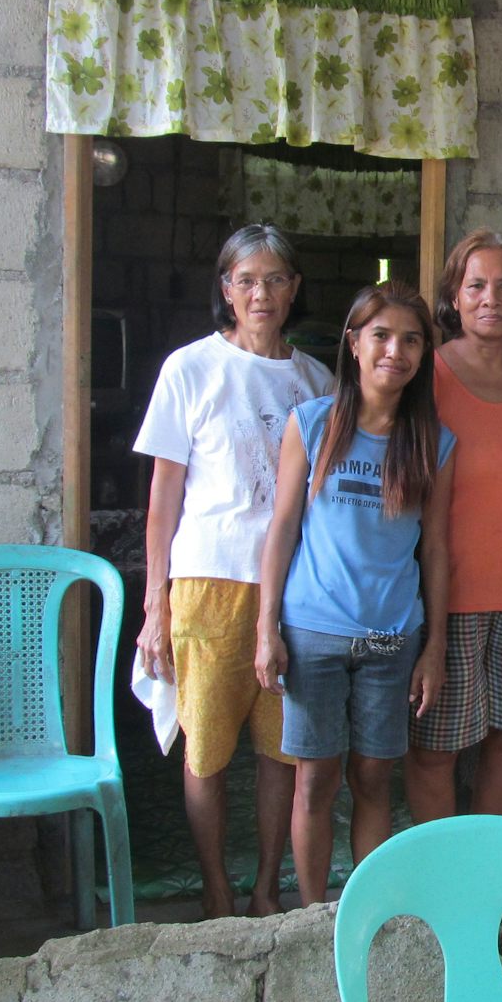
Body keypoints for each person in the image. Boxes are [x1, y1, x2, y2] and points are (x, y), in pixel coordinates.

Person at [133, 224, 334, 919]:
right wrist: (155, 604)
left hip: (294, 591)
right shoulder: (189, 369)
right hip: (207, 585)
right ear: (225, 289)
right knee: (206, 751)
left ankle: (265, 886)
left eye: (276, 279)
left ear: (294, 290)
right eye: (246, 280)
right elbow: (164, 496)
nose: (261, 293)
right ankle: (217, 886)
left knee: (283, 752)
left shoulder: (316, 381)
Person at [253, 281, 455, 902]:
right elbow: (282, 527)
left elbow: (437, 548)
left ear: (423, 354)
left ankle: (364, 909)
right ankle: (314, 914)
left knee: (373, 778)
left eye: (412, 340)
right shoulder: (312, 425)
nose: (396, 351)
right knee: (316, 780)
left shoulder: (433, 442)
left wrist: (434, 648)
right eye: (382, 336)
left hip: (390, 637)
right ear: (355, 343)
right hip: (312, 632)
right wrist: (266, 629)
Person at [406, 231, 502, 821]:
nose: (489, 297)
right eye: (475, 285)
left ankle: (485, 863)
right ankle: (443, 877)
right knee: (435, 748)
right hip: (446, 598)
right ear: (454, 295)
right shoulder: (424, 378)